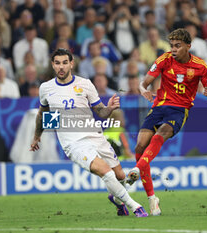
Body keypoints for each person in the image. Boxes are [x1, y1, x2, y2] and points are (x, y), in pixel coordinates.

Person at [30, 48, 148, 218]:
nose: (61, 67)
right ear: (53, 65)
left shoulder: (85, 84)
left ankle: (118, 200)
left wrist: (109, 108)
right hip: (73, 143)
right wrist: (36, 137)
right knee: (106, 172)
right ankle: (135, 206)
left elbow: (100, 112)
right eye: (57, 63)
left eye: (65, 62)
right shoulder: (46, 88)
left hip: (94, 135)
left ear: (71, 64)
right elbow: (43, 114)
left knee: (120, 175)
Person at [126, 28, 207, 216]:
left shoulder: (200, 66)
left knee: (161, 134)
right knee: (139, 147)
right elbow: (145, 82)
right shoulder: (164, 59)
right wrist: (143, 88)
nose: (174, 49)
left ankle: (136, 169)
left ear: (188, 46)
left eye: (178, 46)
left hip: (179, 110)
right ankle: (152, 199)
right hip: (159, 107)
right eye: (172, 46)